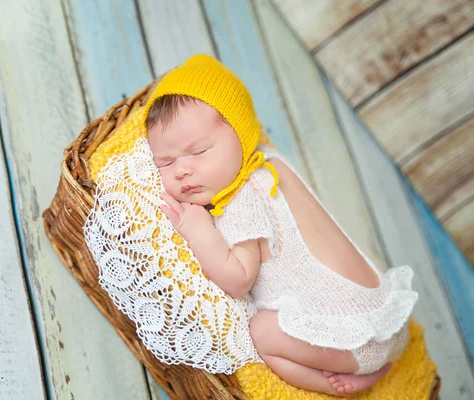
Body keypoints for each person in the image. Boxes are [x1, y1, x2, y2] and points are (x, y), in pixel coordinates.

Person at [142, 54, 418, 396]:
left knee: (262, 332)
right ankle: (363, 369)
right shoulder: (273, 164)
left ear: (242, 138)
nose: (182, 170)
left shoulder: (242, 198)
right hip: (387, 316)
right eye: (165, 163)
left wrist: (199, 232)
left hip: (352, 342)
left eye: (198, 152)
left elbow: (239, 280)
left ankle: (338, 385)